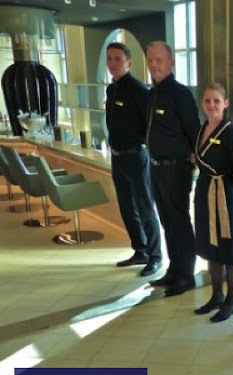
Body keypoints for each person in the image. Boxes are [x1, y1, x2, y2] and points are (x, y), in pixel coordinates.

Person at [144, 41, 200, 297]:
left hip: (176, 169)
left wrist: (193, 162)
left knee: (179, 222)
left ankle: (186, 276)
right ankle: (174, 270)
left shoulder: (180, 94)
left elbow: (193, 132)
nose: (154, 65)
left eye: (159, 60)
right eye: (150, 60)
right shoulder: (151, 94)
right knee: (167, 222)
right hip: (155, 167)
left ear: (171, 63)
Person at [105, 42, 162, 277]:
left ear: (129, 63)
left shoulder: (139, 90)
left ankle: (155, 256)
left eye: (118, 59)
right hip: (117, 158)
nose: (112, 63)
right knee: (127, 208)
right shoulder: (111, 90)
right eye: (109, 58)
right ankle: (140, 250)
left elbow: (150, 124)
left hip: (137, 157)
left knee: (145, 208)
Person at [193, 83, 233, 322]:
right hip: (204, 191)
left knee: (229, 250)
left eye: (216, 101)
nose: (211, 105)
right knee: (211, 247)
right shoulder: (202, 128)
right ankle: (216, 295)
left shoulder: (231, 132)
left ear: (226, 103)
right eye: (207, 100)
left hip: (226, 195)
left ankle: (231, 300)